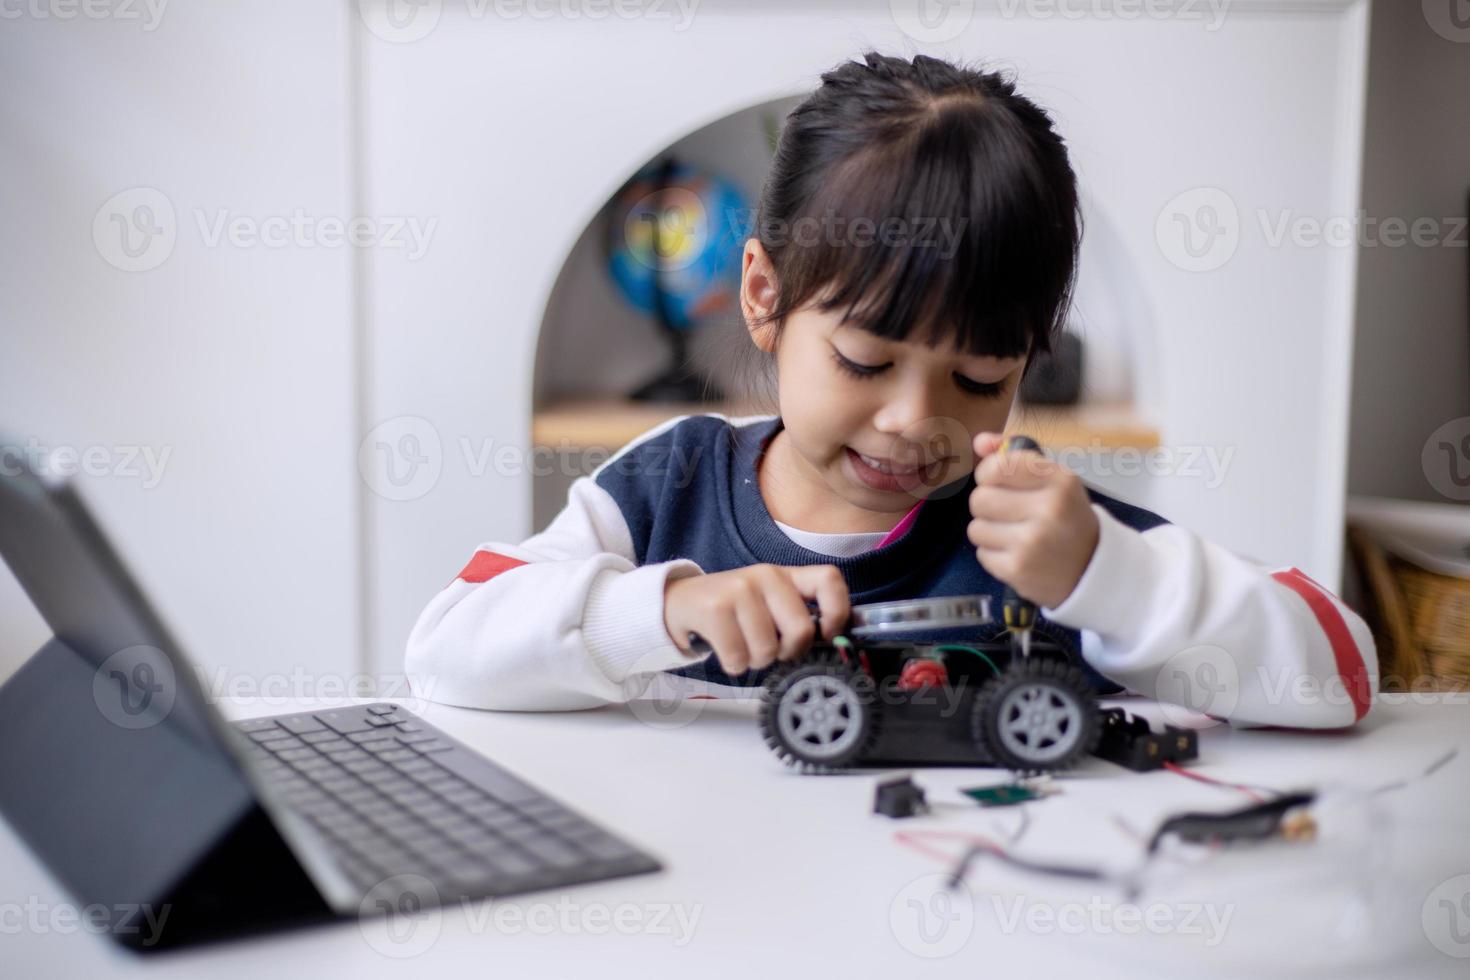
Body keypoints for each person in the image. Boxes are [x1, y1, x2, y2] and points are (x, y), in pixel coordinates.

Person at [405, 51, 1376, 727]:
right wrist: (660, 612)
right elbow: (443, 646)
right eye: (865, 360)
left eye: (980, 376)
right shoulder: (670, 486)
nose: (918, 419)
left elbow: (1344, 669)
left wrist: (1108, 575)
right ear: (763, 297)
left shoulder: (1044, 537)